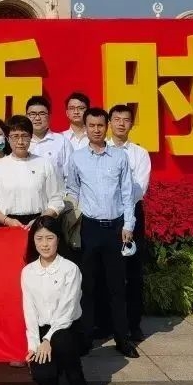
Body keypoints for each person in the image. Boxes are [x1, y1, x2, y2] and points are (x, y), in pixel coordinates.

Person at [64, 108, 137, 358]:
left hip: (116, 228)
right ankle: (86, 338)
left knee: (117, 287)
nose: (96, 129)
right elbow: (72, 190)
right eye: (91, 125)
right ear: (85, 127)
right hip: (89, 228)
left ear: (107, 127)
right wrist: (71, 222)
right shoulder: (77, 158)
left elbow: (127, 193)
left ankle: (122, 339)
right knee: (88, 286)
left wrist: (129, 225)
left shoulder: (119, 157)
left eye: (100, 125)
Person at [21, 215, 90, 385]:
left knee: (62, 341)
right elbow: (29, 310)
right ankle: (55, 374)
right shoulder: (28, 271)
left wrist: (47, 339)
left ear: (58, 239)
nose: (44, 244)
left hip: (68, 328)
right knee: (43, 376)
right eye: (39, 238)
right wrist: (34, 345)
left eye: (49, 238)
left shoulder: (70, 269)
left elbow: (67, 311)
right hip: (43, 330)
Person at [108, 104, 152, 343]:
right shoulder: (98, 151)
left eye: (126, 120)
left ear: (131, 124)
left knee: (132, 272)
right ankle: (107, 324)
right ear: (109, 123)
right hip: (105, 215)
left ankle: (133, 325)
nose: (121, 123)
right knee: (105, 270)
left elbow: (138, 188)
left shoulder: (139, 154)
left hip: (131, 214)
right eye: (116, 119)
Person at [0, 116, 64, 228]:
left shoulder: (44, 164)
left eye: (24, 136)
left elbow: (56, 200)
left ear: (31, 137)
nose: (20, 142)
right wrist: (7, 221)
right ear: (7, 138)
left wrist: (39, 220)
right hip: (6, 224)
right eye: (15, 136)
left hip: (39, 224)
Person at [26, 96, 72, 182]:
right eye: (32, 114)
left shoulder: (62, 142)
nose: (37, 118)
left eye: (42, 113)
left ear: (49, 116)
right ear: (26, 116)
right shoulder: (21, 142)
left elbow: (70, 177)